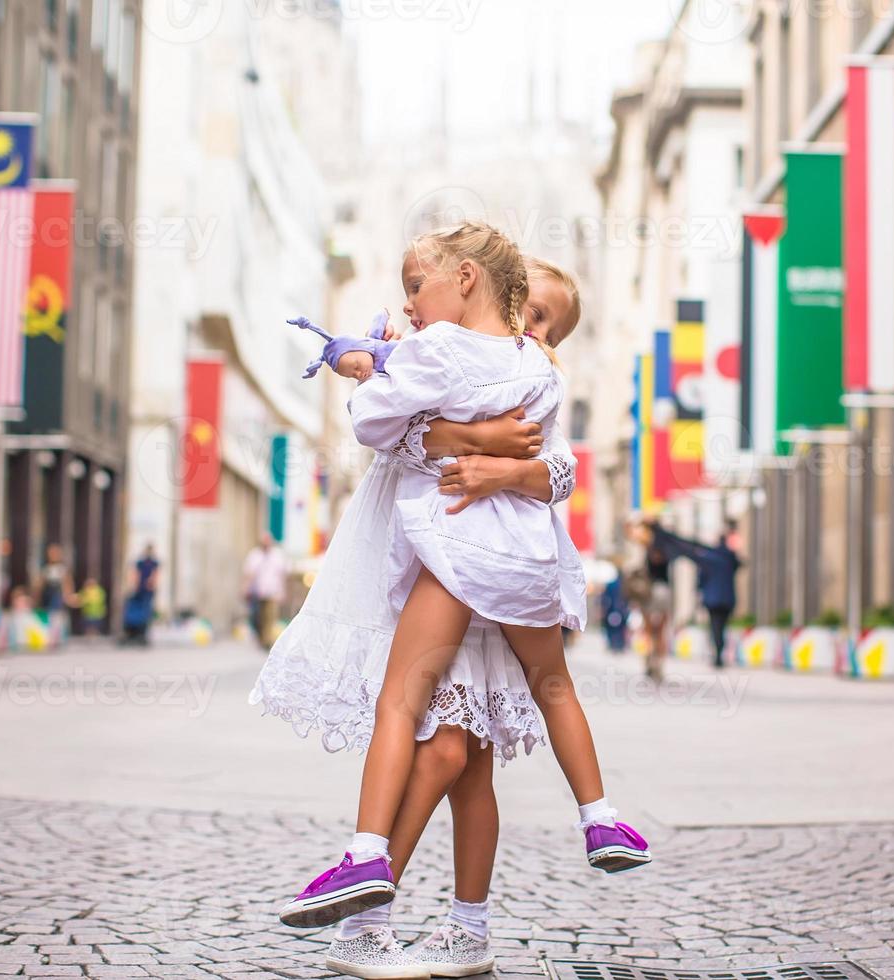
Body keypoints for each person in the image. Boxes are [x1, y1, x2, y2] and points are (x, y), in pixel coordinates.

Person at [255, 240, 644, 976]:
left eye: (547, 323)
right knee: (452, 754)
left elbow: (557, 470)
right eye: (527, 309)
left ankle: (390, 899)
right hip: (476, 568)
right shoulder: (462, 352)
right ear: (501, 292)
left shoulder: (518, 371)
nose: (532, 328)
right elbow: (405, 436)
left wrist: (510, 466)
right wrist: (478, 437)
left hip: (474, 569)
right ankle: (399, 914)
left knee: (460, 759)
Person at [650, 520, 743, 668]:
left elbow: (699, 571)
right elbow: (740, 564)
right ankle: (720, 652)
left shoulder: (711, 558)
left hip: (713, 599)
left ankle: (718, 655)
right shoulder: (729, 559)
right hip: (727, 599)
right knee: (722, 626)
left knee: (715, 626)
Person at [621, 518, 673, 682]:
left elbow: (630, 534)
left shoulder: (648, 545)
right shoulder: (668, 547)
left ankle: (650, 660)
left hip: (650, 592)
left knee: (649, 630)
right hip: (665, 590)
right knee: (662, 630)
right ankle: (659, 664)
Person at [241, 533, 287, 650]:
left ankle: (267, 641)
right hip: (257, 592)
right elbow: (249, 574)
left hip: (273, 592)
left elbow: (282, 574)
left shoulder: (277, 556)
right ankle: (262, 639)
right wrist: (245, 588)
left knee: (270, 617)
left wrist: (283, 591)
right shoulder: (254, 555)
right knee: (257, 618)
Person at [121, 544, 158, 647]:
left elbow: (155, 575)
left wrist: (151, 584)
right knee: (135, 611)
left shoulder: (154, 563)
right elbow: (135, 574)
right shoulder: (140, 563)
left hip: (147, 592)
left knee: (146, 613)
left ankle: (142, 633)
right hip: (139, 591)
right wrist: (134, 586)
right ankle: (132, 633)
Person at [600, 570, 629, 653]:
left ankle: (612, 644)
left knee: (611, 628)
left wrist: (604, 608)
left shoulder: (611, 584)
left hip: (611, 609)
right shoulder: (624, 585)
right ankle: (620, 644)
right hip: (622, 610)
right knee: (621, 628)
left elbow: (604, 597)